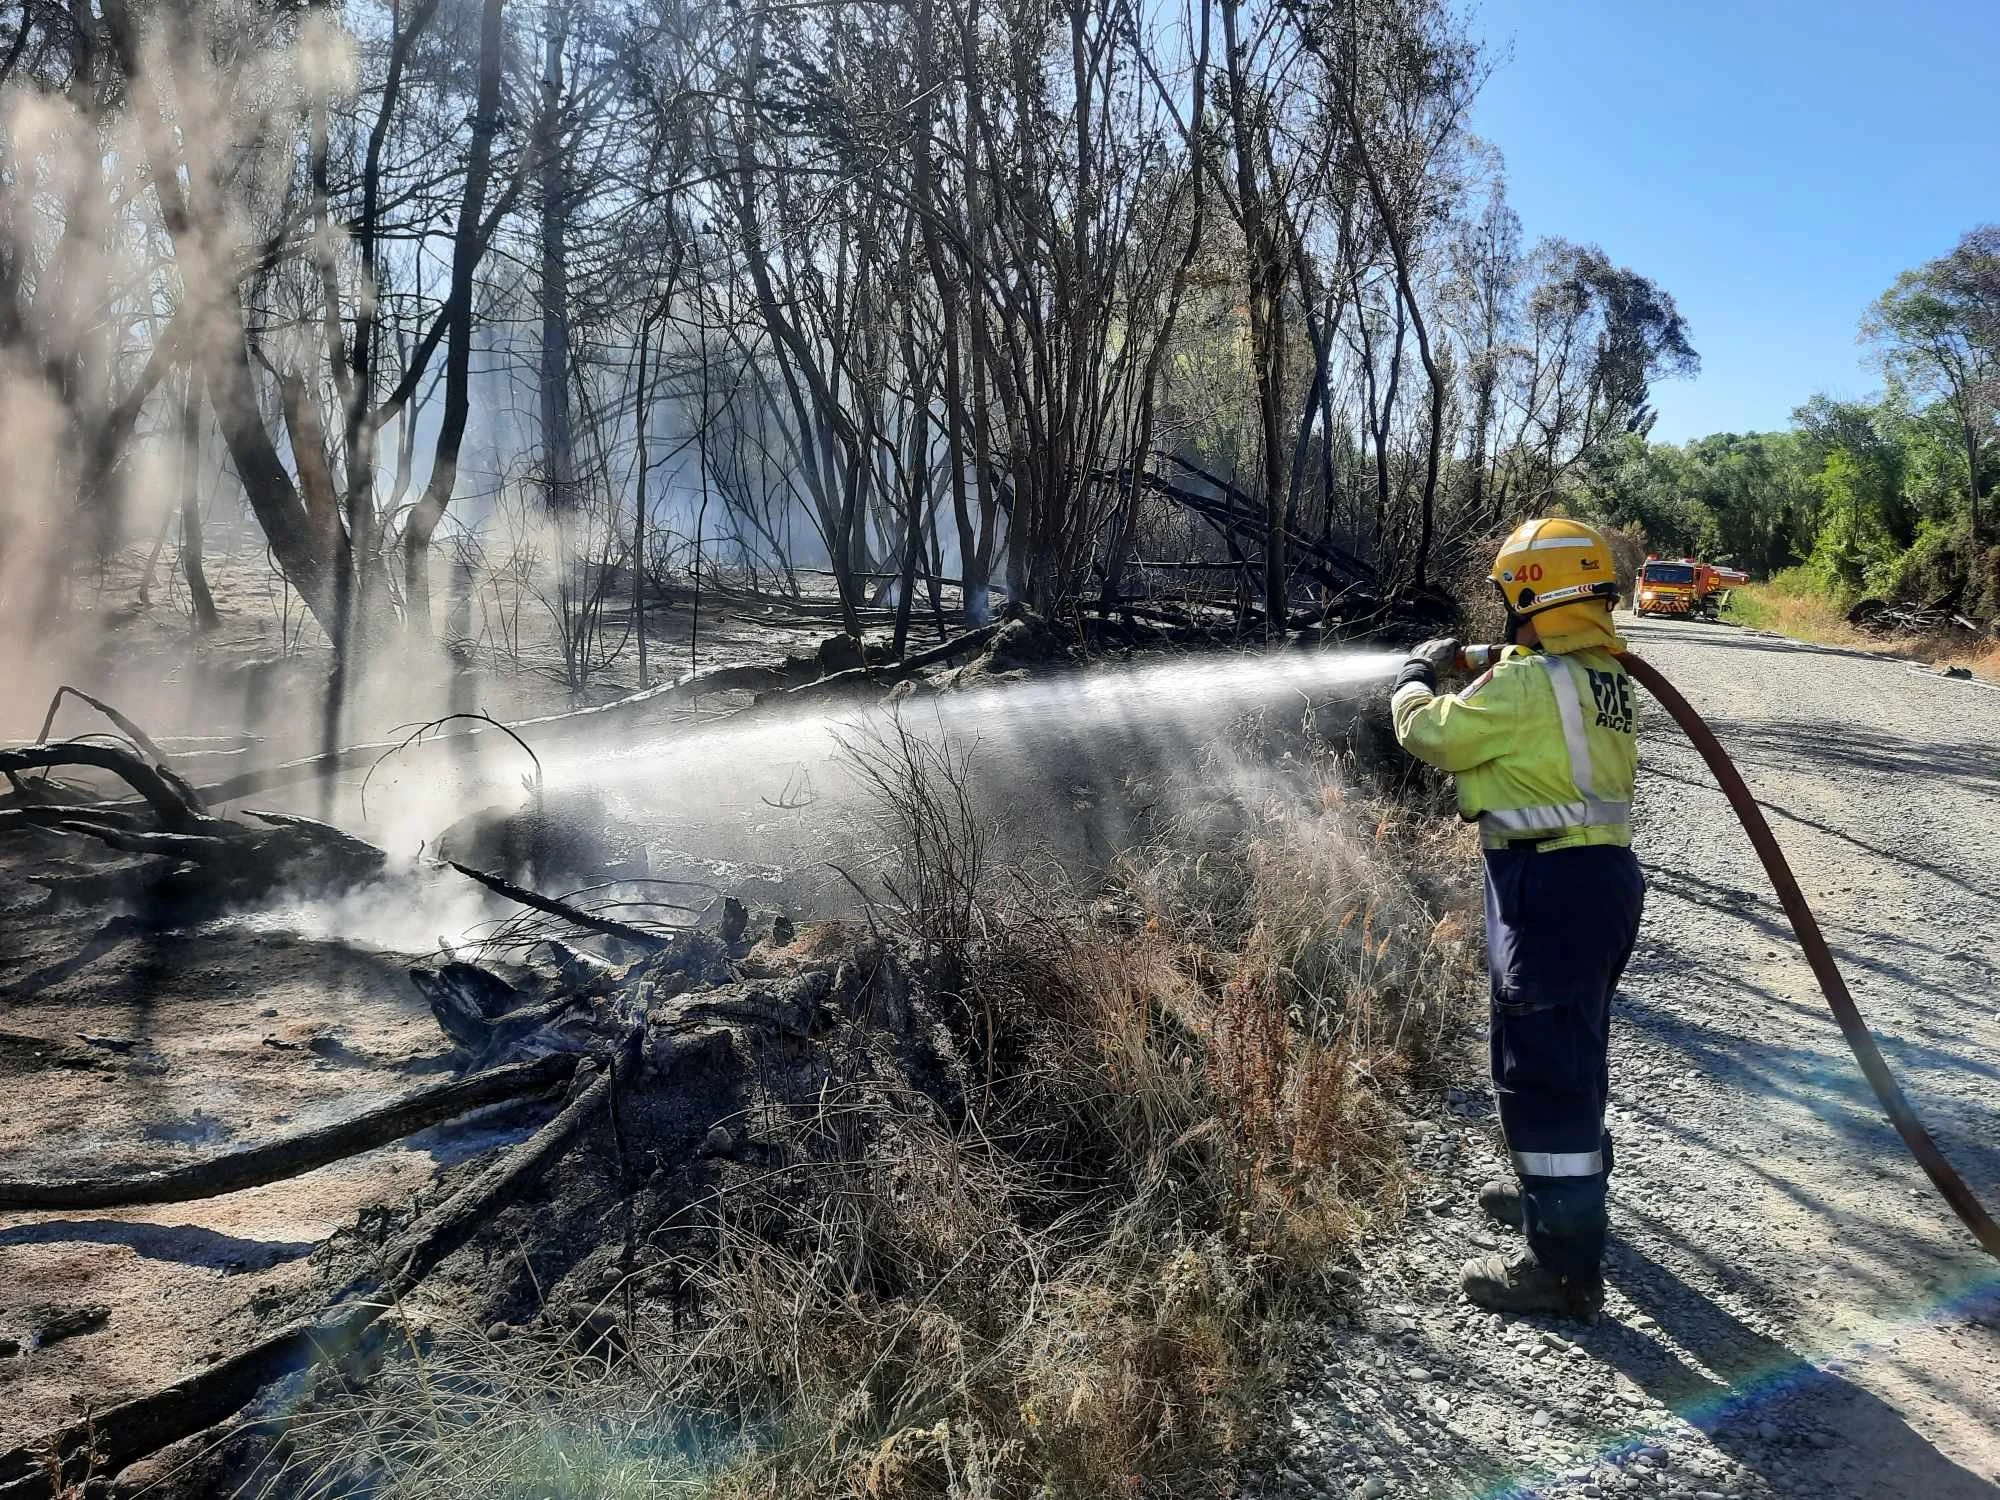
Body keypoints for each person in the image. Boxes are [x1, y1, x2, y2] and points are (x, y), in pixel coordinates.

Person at [1390, 517, 1645, 1320]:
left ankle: (1564, 1271)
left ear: (1532, 593)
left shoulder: (1530, 684)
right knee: (1573, 1052)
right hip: (1595, 881)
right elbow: (1536, 684)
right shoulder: (1603, 674)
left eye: (1510, 594)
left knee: (1542, 1070)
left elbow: (1435, 734)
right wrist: (1486, 661)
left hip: (1549, 886)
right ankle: (1559, 1195)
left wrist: (1412, 679)